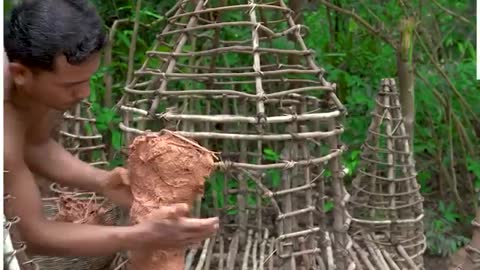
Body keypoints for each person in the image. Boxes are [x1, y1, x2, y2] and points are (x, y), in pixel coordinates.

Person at [3, 0, 219, 258]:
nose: (84, 93)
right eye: (70, 85)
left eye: (88, 80)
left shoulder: (32, 87)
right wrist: (142, 235)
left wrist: (101, 182)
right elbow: (34, 235)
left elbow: (35, 145)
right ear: (20, 73)